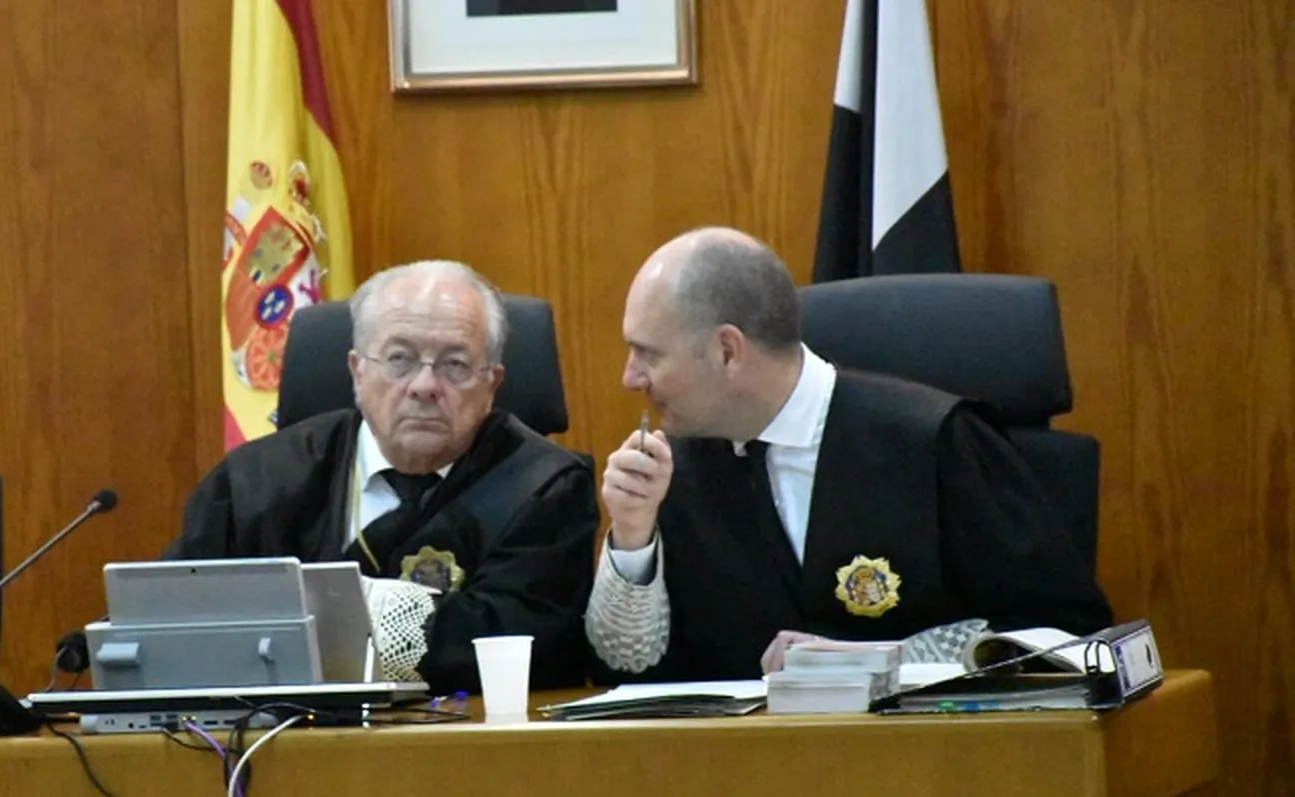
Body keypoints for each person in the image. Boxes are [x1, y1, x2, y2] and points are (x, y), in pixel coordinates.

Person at [585, 228, 1113, 681]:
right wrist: (633, 541)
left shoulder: (934, 442)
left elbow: (1064, 632)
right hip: (740, 762)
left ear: (727, 351)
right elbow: (625, 669)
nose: (630, 378)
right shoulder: (674, 468)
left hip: (932, 758)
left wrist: (888, 662)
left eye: (647, 354)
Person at [167, 260, 598, 692]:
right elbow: (175, 616)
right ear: (358, 372)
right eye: (399, 359)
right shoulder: (253, 482)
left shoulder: (544, 488)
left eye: (455, 364)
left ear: (491, 385)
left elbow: (525, 644)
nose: (424, 386)